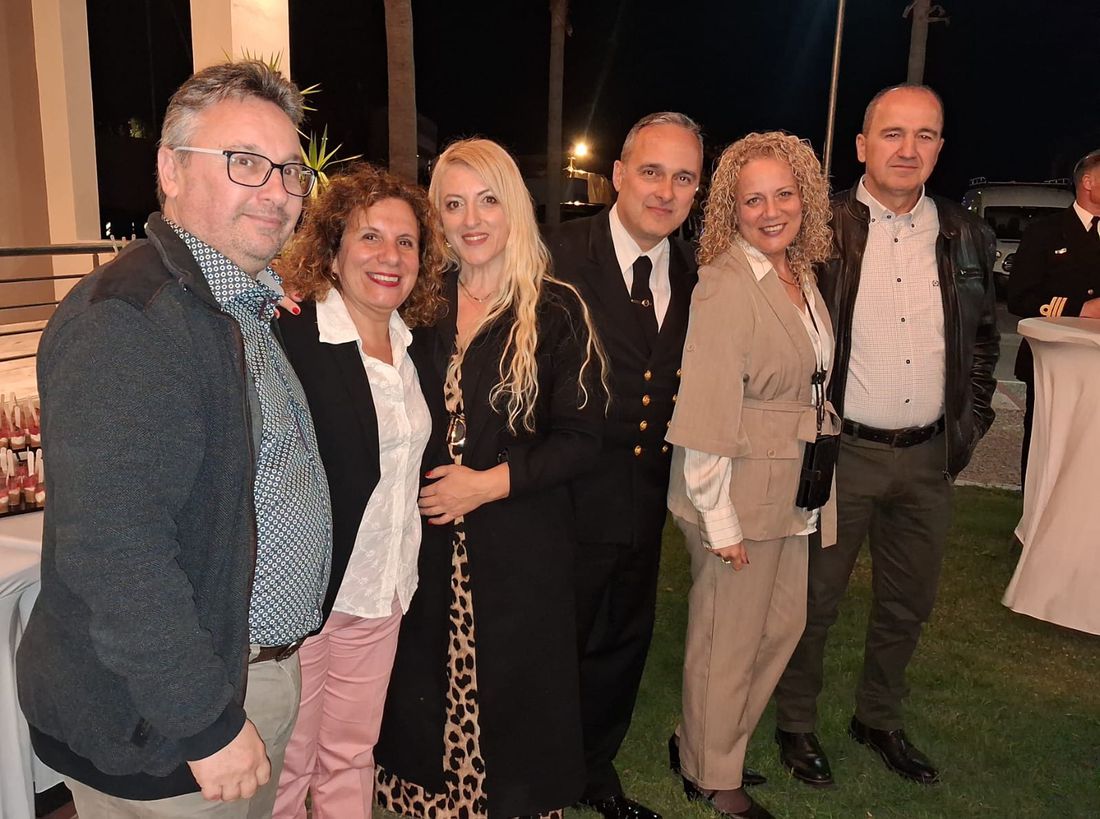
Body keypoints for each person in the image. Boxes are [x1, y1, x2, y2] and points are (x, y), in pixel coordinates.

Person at [17, 60, 332, 817]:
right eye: (245, 162)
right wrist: (204, 722)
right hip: (166, 722)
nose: (278, 190)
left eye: (290, 170)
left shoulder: (233, 304)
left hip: (241, 676)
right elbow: (115, 554)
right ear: (170, 170)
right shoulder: (130, 321)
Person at [773, 84, 999, 788]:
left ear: (940, 147)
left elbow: (982, 342)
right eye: (892, 133)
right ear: (862, 145)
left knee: (908, 603)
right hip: (843, 455)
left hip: (928, 459)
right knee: (814, 602)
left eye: (925, 135)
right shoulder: (818, 228)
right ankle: (795, 723)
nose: (908, 149)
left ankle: (878, 716)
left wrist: (967, 427)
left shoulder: (966, 234)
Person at [373, 138, 607, 819]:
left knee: (514, 693)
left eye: (487, 200)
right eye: (453, 204)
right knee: (425, 684)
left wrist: (487, 483)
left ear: (514, 208)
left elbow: (582, 440)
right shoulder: (420, 305)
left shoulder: (556, 310)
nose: (471, 219)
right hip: (425, 542)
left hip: (519, 544)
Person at [665, 132, 837, 819]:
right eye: (752, 200)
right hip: (735, 491)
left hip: (790, 487)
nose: (771, 211)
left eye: (783, 195)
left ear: (805, 198)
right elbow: (707, 407)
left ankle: (705, 743)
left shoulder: (800, 274)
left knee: (781, 626)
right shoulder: (726, 283)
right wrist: (720, 519)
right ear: (730, 210)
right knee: (727, 640)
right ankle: (711, 773)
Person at [271, 165, 447, 818]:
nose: (389, 256)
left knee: (351, 752)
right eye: (370, 237)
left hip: (383, 588)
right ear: (333, 249)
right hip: (309, 596)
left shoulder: (413, 342)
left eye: (406, 242)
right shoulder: (293, 334)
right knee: (289, 764)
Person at [545, 112, 703, 819]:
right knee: (553, 643)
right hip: (562, 496)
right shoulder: (555, 255)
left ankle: (592, 770)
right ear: (618, 175)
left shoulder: (696, 274)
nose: (665, 191)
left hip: (643, 497)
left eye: (683, 177)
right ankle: (537, 775)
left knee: (621, 643)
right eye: (651, 171)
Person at [1007, 148, 1100, 484]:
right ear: (1087, 182)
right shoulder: (1045, 232)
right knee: (1045, 444)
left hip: (1096, 363)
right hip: (1055, 359)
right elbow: (1019, 297)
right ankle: (1035, 512)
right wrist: (1079, 310)